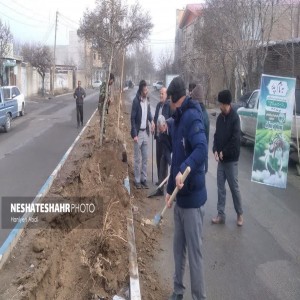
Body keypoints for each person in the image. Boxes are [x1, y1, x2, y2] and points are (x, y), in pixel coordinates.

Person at [166, 76, 207, 300]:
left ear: (174, 98)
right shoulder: (179, 118)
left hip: (192, 200)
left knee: (194, 254)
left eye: (169, 101)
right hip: (179, 198)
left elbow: (201, 149)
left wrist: (185, 168)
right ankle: (178, 291)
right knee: (178, 250)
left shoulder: (192, 117)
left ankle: (199, 297)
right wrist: (169, 188)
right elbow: (176, 159)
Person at [212, 89, 244, 226]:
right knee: (220, 187)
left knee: (234, 188)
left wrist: (224, 152)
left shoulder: (235, 118)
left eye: (221, 104)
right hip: (221, 160)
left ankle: (239, 214)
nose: (219, 106)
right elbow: (216, 136)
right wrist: (215, 150)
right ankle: (221, 214)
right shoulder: (220, 118)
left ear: (227, 104)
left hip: (231, 160)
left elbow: (235, 140)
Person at [130, 80, 155, 189]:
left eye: (147, 89)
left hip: (146, 133)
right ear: (141, 90)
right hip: (138, 133)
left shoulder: (147, 100)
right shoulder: (136, 101)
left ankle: (144, 179)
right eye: (145, 90)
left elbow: (148, 113)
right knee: (137, 159)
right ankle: (137, 180)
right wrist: (134, 134)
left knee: (145, 157)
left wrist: (152, 121)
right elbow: (132, 118)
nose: (147, 91)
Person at [153, 87, 172, 185]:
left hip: (165, 138)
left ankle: (163, 181)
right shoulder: (158, 105)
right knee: (158, 157)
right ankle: (160, 180)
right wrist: (153, 124)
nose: (160, 95)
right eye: (160, 93)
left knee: (163, 160)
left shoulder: (168, 106)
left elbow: (170, 120)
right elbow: (155, 118)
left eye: (162, 94)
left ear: (166, 95)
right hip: (158, 136)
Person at [191, 84, 210, 173]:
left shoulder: (199, 116)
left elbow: (201, 142)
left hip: (197, 159)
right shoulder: (203, 113)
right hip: (201, 158)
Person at [156, 115, 172, 195]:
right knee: (162, 163)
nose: (160, 131)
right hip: (168, 148)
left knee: (175, 169)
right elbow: (166, 150)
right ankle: (160, 189)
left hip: (176, 146)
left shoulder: (173, 125)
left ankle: (174, 193)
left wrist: (172, 164)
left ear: (164, 124)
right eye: (159, 129)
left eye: (161, 129)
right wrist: (170, 162)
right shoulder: (161, 134)